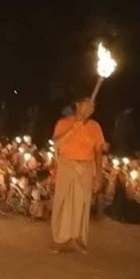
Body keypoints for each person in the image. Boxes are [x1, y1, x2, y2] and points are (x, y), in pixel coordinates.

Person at [51, 96, 105, 253]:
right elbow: (56, 144)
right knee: (64, 202)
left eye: (93, 107)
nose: (90, 109)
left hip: (86, 167)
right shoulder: (64, 123)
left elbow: (98, 152)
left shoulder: (95, 126)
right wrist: (74, 128)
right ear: (78, 105)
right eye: (87, 105)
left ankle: (75, 239)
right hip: (67, 165)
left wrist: (99, 175)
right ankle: (59, 239)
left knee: (81, 204)